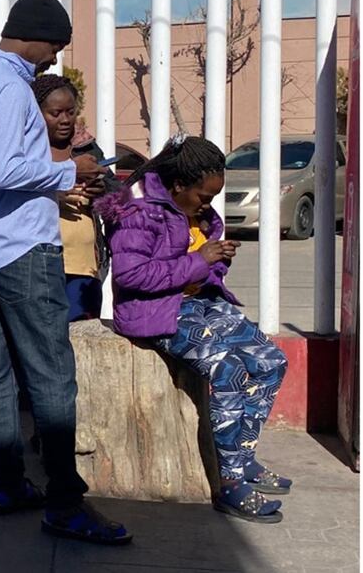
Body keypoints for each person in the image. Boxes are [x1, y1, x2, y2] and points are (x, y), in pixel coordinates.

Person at [0, 0, 131, 544]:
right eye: (55, 44)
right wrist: (71, 170)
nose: (55, 57)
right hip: (24, 249)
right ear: (33, 34)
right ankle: (65, 503)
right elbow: (8, 169)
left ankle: (6, 483)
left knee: (1, 371)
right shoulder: (8, 87)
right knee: (54, 376)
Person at [99, 135, 290, 523]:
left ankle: (242, 456)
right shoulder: (138, 212)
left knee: (271, 361)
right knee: (229, 370)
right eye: (204, 196)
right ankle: (229, 482)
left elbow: (202, 266)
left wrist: (215, 262)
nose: (209, 204)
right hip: (154, 312)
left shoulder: (194, 211)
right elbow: (131, 275)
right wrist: (198, 261)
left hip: (197, 303)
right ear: (178, 185)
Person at [33, 74, 121, 321]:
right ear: (36, 114)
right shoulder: (27, 152)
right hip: (40, 265)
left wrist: (100, 193)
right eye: (55, 113)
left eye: (70, 112)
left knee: (81, 333)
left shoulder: (87, 147)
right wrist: (54, 194)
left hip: (85, 266)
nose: (64, 120)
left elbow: (118, 194)